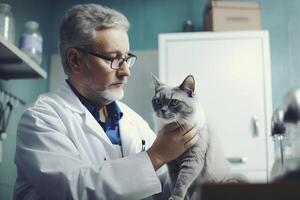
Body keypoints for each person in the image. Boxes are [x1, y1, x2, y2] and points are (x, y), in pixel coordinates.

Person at [14, 4, 199, 200]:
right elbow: (74, 191)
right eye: (113, 58)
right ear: (75, 60)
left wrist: (189, 174)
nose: (126, 71)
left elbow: (162, 189)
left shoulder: (134, 123)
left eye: (126, 58)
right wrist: (156, 156)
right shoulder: (41, 120)